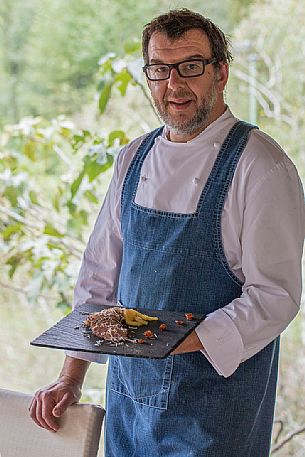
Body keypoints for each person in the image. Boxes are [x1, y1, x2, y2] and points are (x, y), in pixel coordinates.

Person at [30, 8, 305, 457]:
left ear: (221, 73)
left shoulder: (261, 166)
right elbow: (100, 276)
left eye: (190, 67)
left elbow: (275, 297)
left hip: (214, 414)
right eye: (160, 69)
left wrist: (172, 340)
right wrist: (70, 378)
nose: (174, 85)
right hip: (129, 407)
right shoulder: (133, 158)